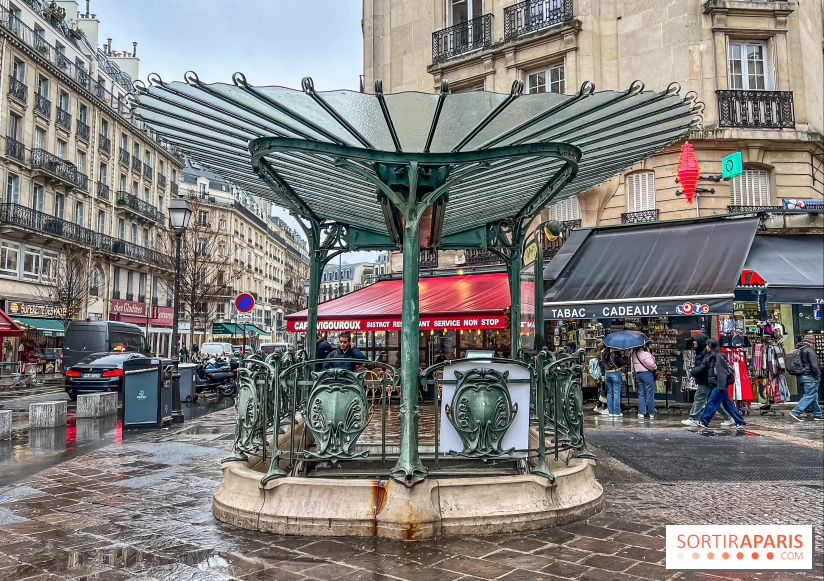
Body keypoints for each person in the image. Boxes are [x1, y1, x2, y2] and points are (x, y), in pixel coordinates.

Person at [682, 333, 733, 427]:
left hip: (705, 380)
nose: (694, 342)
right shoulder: (702, 351)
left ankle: (693, 418)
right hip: (707, 380)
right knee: (714, 401)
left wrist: (694, 372)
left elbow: (704, 366)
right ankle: (729, 418)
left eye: (695, 341)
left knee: (699, 399)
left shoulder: (706, 353)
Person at [700, 338, 747, 428]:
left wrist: (721, 386)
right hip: (720, 384)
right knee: (728, 404)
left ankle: (704, 421)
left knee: (712, 403)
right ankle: (740, 422)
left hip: (719, 384)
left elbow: (722, 372)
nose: (706, 347)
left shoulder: (718, 356)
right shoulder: (715, 355)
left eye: (708, 345)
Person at [789, 334, 822, 421]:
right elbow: (814, 365)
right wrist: (818, 376)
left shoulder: (799, 349)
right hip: (809, 376)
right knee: (809, 395)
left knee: (813, 395)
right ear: (811, 343)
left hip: (801, 376)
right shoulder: (809, 350)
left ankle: (818, 414)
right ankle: (795, 412)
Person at [632, 344, 657, 418]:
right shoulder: (646, 354)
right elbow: (651, 364)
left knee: (641, 393)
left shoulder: (634, 354)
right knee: (650, 394)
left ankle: (641, 412)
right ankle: (651, 412)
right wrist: (655, 366)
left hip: (638, 374)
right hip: (647, 374)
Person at [601, 344, 625, 418]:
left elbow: (601, 364)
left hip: (607, 374)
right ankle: (617, 412)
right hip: (615, 373)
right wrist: (625, 356)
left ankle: (610, 411)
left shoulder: (604, 353)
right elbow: (622, 363)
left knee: (609, 393)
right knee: (616, 393)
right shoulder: (616, 353)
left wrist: (603, 374)